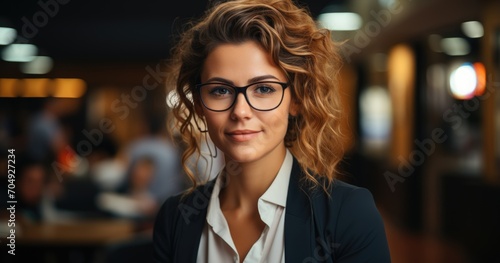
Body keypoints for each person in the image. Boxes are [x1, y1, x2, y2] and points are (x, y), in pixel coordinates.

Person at [153, 0, 391, 262]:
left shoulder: (349, 213)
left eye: (264, 89)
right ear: (199, 104)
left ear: (296, 99)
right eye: (220, 90)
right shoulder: (175, 216)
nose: (240, 111)